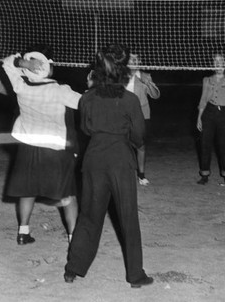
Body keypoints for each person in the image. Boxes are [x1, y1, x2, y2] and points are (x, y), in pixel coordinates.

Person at [64, 44, 153, 288]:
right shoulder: (130, 100)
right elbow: (139, 136)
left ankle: (74, 268)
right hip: (121, 160)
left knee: (89, 216)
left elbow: (85, 129)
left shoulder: (87, 98)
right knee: (128, 218)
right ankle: (135, 276)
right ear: (123, 71)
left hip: (93, 159)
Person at [2, 47, 81, 245]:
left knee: (27, 190)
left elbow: (7, 63)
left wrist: (24, 63)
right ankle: (74, 239)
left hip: (29, 146)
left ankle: (23, 232)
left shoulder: (21, 87)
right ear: (48, 67)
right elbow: (86, 105)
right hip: (54, 149)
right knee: (68, 194)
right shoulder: (60, 91)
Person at [196, 53, 225, 188]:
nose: (218, 63)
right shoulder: (207, 80)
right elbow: (203, 100)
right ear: (213, 64)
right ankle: (204, 175)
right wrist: (199, 117)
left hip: (224, 115)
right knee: (205, 145)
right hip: (208, 113)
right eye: (216, 61)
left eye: (221, 61)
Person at [126, 53, 160, 186]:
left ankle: (141, 175)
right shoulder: (120, 76)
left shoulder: (145, 76)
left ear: (139, 61)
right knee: (123, 145)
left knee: (140, 146)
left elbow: (156, 95)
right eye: (130, 59)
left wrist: (149, 84)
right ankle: (126, 173)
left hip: (142, 115)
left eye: (135, 59)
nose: (133, 61)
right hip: (123, 115)